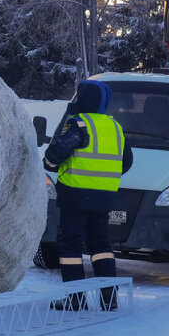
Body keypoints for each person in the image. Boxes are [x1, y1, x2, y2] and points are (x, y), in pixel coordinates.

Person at [43, 79, 133, 311]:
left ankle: (75, 299)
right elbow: (126, 162)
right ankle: (109, 298)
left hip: (75, 194)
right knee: (100, 244)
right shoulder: (115, 127)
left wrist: (49, 163)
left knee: (70, 245)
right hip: (103, 197)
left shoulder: (79, 123)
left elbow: (57, 152)